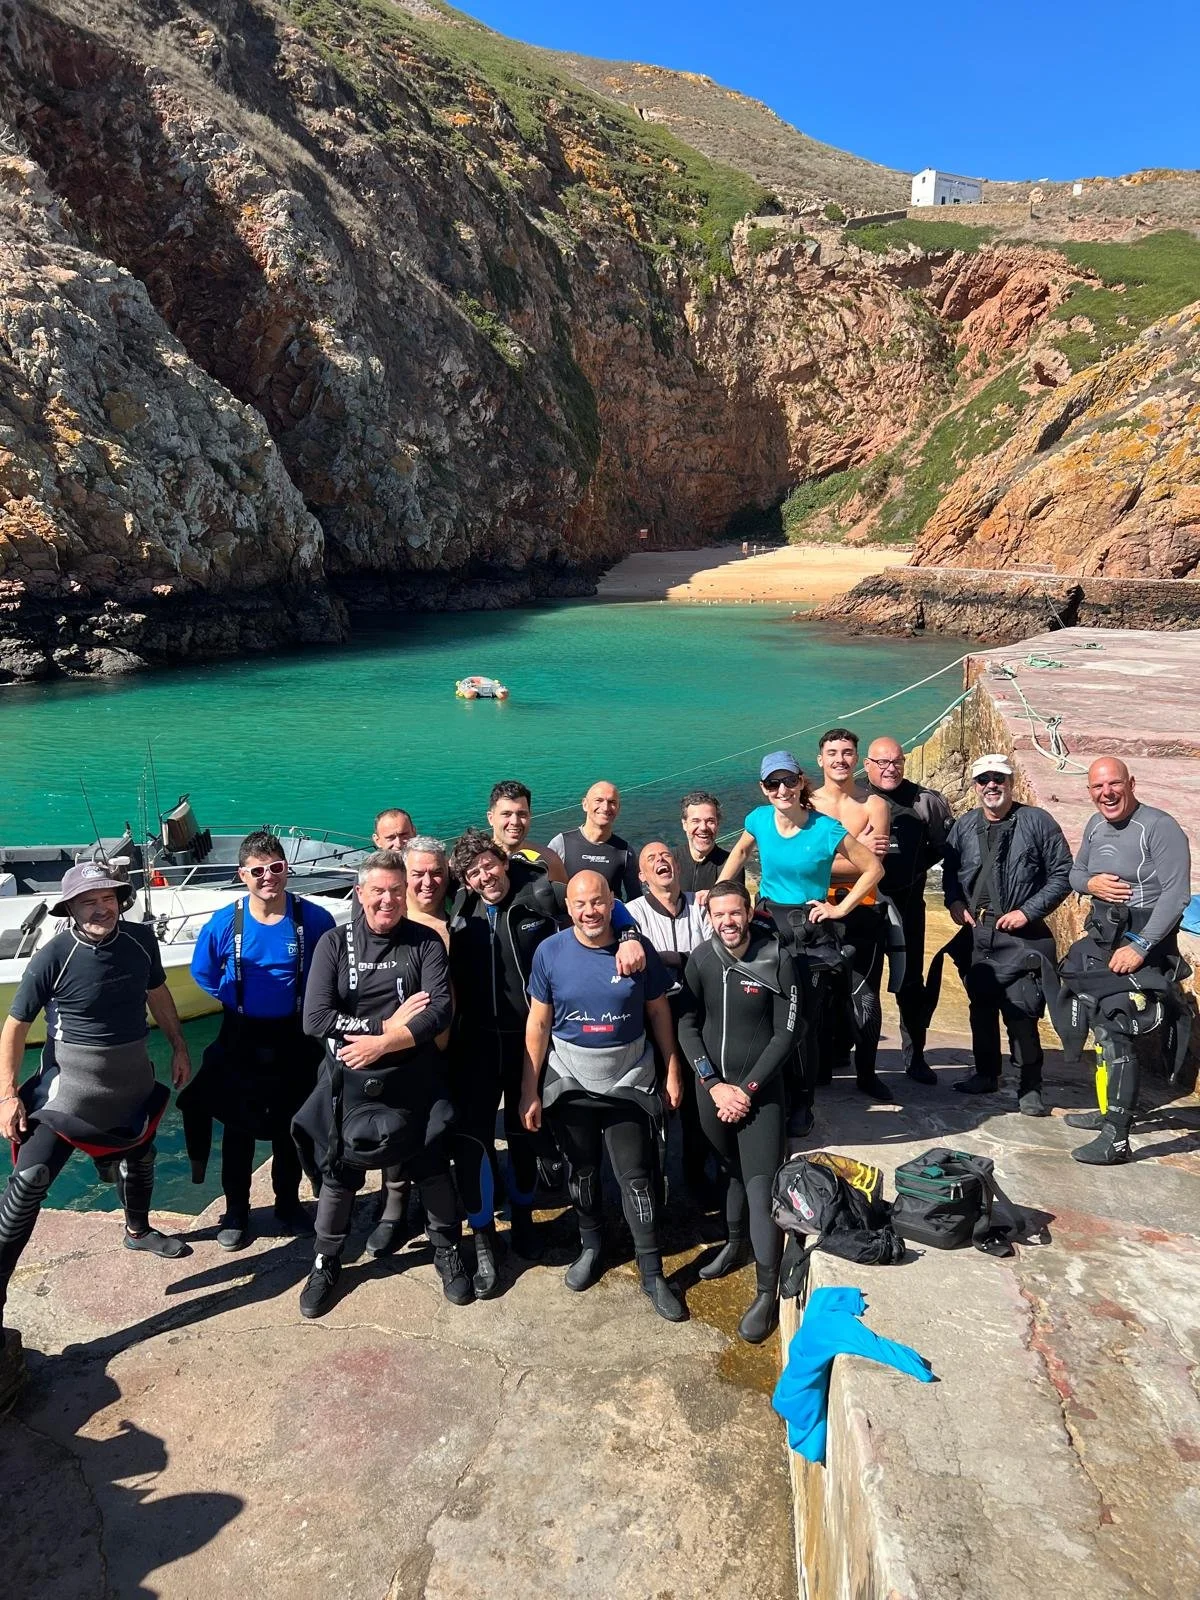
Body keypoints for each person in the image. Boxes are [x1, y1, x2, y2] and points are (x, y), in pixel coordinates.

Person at [0, 862, 191, 1393]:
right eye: (88, 901)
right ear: (69, 909)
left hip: (130, 1083)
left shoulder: (140, 941)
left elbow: (158, 993)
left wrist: (178, 1045)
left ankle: (138, 1232)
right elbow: (14, 1028)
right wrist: (7, 1095)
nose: (101, 908)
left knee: (141, 1157)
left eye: (108, 898)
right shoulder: (54, 955)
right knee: (29, 1181)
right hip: (68, 1092)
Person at [446, 831, 649, 1293]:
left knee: (524, 1131)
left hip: (530, 1038)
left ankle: (522, 1218)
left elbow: (605, 903)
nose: (485, 876)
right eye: (474, 872)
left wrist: (630, 936)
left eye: (489, 864)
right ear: (466, 880)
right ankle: (483, 1238)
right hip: (477, 1043)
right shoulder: (460, 907)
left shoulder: (539, 891)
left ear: (502, 860)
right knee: (475, 1140)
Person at [294, 851, 469, 1316]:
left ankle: (448, 1249)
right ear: (360, 893)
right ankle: (326, 1262)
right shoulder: (334, 943)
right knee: (339, 1174)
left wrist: (385, 1043)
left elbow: (439, 1012)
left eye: (396, 890)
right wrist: (385, 1027)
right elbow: (315, 1018)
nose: (387, 900)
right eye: (378, 891)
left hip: (412, 1075)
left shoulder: (425, 943)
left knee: (432, 1163)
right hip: (349, 1078)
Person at [520, 872, 687, 1321]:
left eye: (597, 902)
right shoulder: (549, 951)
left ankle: (652, 1270)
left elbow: (659, 1012)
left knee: (637, 1178)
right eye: (580, 904)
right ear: (568, 908)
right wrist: (529, 1089)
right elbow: (538, 1023)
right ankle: (591, 1246)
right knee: (583, 1172)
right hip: (572, 1080)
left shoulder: (637, 950)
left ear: (612, 902)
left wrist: (672, 1069)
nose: (589, 911)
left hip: (627, 1079)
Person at [184, 831, 334, 1249]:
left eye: (276, 868)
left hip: (295, 1036)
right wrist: (236, 1000)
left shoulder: (314, 919)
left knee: (291, 1128)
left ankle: (288, 1204)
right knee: (238, 1130)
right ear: (242, 875)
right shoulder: (224, 923)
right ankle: (236, 1211)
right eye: (258, 871)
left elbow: (330, 970)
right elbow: (202, 972)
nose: (269, 877)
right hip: (241, 1035)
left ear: (287, 869)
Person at [723, 751, 883, 1127]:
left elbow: (873, 868)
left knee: (801, 1022)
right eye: (773, 783)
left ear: (801, 782)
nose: (782, 790)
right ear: (763, 788)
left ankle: (803, 1103)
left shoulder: (825, 828)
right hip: (766, 925)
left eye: (789, 781)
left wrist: (839, 909)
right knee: (766, 1013)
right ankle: (772, 1088)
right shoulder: (758, 819)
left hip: (808, 931)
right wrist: (721, 893)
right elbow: (741, 851)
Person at [677, 880, 799, 1344]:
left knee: (759, 1183)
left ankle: (766, 1292)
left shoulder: (777, 958)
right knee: (729, 1170)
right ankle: (733, 1245)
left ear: (748, 912)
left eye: (735, 912)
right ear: (709, 917)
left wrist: (746, 1090)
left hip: (759, 1094)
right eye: (719, 914)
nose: (728, 921)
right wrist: (712, 1085)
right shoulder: (701, 959)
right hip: (713, 1092)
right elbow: (687, 1025)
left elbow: (787, 1034)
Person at [1060, 758, 1192, 1165]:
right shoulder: (1094, 825)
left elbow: (1177, 894)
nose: (1107, 793)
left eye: (1114, 784)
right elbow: (1075, 875)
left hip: (1144, 944)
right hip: (1104, 938)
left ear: (1131, 783)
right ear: (1090, 792)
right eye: (1098, 787)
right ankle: (1107, 1110)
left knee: (1117, 1025)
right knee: (1099, 1023)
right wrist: (1091, 883)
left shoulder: (1159, 827)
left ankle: (1117, 1138)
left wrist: (1139, 945)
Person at [941, 755, 1073, 1115]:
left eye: (998, 778)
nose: (991, 785)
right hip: (978, 933)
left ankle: (1031, 1086)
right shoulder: (965, 826)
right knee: (981, 1006)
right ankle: (986, 1074)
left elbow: (1063, 873)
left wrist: (1027, 912)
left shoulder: (1037, 822)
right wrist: (954, 902)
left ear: (1010, 782)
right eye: (984, 779)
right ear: (975, 786)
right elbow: (950, 872)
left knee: (1022, 1009)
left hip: (1021, 934)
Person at [863, 736, 954, 1086]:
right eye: (882, 762)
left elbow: (945, 847)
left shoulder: (925, 801)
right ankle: (853, 1056)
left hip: (908, 904)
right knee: (860, 982)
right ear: (867, 765)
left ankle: (915, 1056)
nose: (890, 769)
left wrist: (916, 870)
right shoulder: (855, 799)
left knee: (910, 983)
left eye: (897, 762)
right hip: (864, 906)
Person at [627, 841, 714, 1202]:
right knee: (656, 1102)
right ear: (642, 876)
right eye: (651, 859)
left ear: (677, 867)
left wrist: (666, 958)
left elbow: (713, 957)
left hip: (699, 1015)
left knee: (697, 1101)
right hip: (652, 1017)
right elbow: (638, 961)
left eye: (666, 856)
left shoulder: (702, 905)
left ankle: (696, 1176)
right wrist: (685, 959)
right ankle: (652, 1183)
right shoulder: (631, 913)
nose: (661, 861)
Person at [811, 728, 893, 1101]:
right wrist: (858, 850)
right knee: (817, 993)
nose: (840, 759)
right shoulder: (807, 805)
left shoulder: (875, 805)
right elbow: (804, 865)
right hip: (817, 910)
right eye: (832, 753)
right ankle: (819, 1068)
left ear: (857, 759)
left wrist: (824, 859)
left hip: (863, 910)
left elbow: (875, 865)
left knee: (865, 995)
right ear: (820, 759)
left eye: (847, 752)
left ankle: (867, 1073)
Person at [546, 781, 640, 901]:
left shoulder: (625, 852)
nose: (605, 807)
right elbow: (545, 892)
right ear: (585, 804)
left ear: (618, 808)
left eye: (612, 802)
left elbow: (635, 900)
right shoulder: (561, 844)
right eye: (598, 800)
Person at [487, 781, 567, 884]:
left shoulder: (548, 860)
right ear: (491, 818)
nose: (515, 822)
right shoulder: (478, 863)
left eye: (522, 814)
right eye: (506, 814)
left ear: (530, 816)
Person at [677, 791, 745, 897]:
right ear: (685, 824)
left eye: (710, 821)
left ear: (718, 824)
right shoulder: (671, 860)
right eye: (696, 821)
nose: (703, 827)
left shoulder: (731, 865)